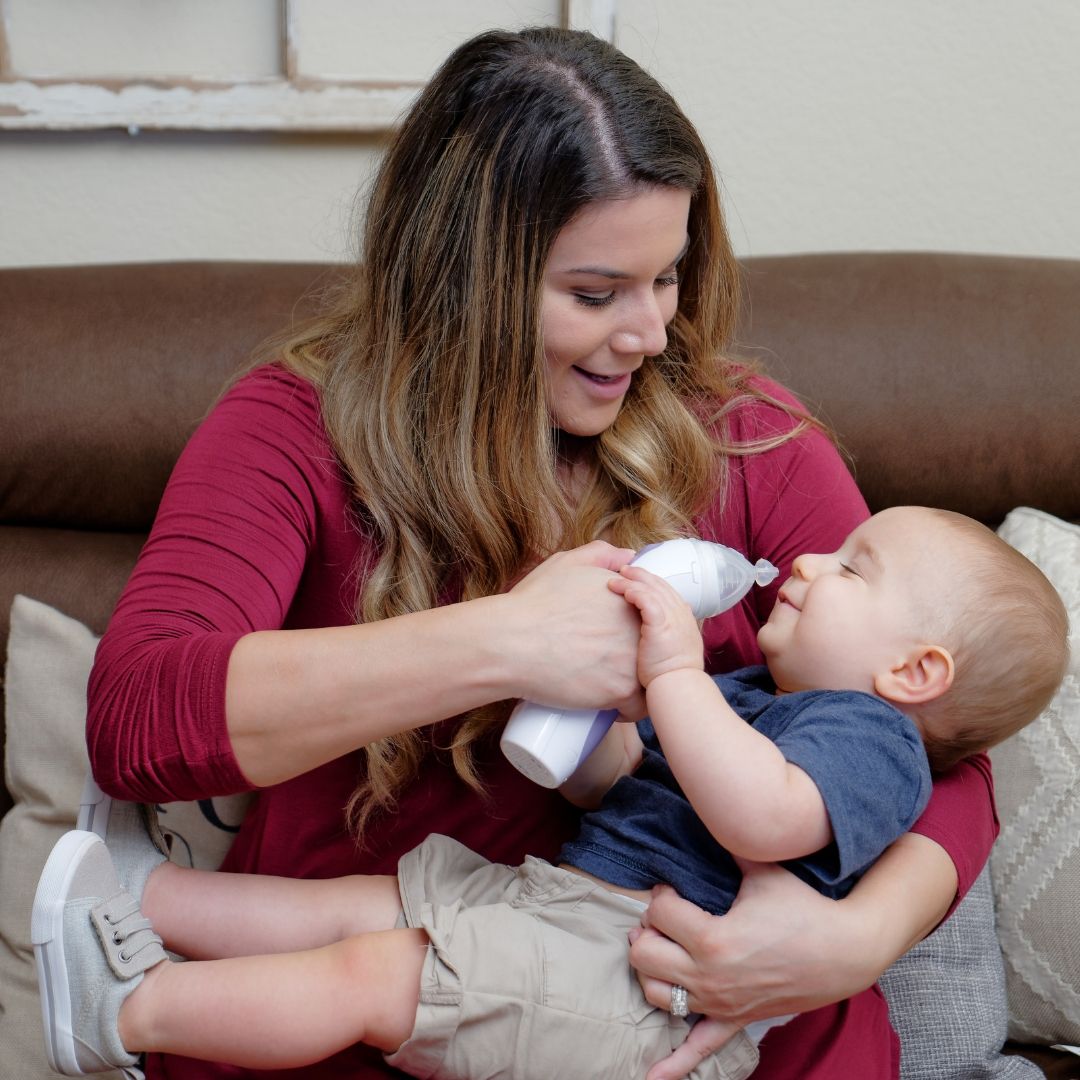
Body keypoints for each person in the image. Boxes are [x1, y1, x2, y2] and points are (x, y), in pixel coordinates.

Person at [64, 24, 1004, 1080]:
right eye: (597, 295)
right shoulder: (295, 430)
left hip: (699, 1028)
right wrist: (503, 643)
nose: (650, 333)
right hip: (368, 1005)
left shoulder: (748, 437)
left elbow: (938, 730)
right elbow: (138, 716)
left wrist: (856, 937)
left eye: (668, 278)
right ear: (464, 285)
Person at [33, 506, 1069, 1079]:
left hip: (634, 992)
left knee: (371, 971)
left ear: (917, 675)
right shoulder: (766, 694)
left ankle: (128, 1015)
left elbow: (764, 818)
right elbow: (642, 786)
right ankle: (148, 897)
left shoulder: (871, 739)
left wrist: (673, 674)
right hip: (575, 909)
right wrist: (588, 737)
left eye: (853, 567)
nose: (806, 559)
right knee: (370, 898)